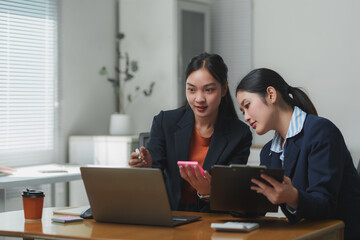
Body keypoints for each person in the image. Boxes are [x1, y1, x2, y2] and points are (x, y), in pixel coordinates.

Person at [235, 68, 360, 239]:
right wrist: (222, 194)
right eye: (243, 111)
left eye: (247, 106)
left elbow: (326, 205)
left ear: (271, 94)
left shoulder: (321, 131)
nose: (246, 117)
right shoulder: (269, 152)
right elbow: (260, 208)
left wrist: (292, 197)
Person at [129, 53, 252, 212]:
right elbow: (154, 177)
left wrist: (208, 190)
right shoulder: (165, 122)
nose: (199, 99)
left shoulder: (239, 134)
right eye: (192, 90)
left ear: (223, 89)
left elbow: (232, 194)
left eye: (208, 90)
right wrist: (147, 166)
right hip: (169, 217)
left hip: (212, 219)